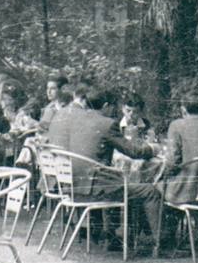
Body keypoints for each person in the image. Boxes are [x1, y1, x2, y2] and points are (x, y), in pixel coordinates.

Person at [45, 85, 162, 252]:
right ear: (106, 106)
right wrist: (153, 149)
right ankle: (159, 242)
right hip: (96, 189)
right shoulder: (107, 124)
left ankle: (113, 236)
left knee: (117, 182)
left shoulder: (75, 121)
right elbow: (134, 152)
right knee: (150, 191)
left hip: (71, 186)